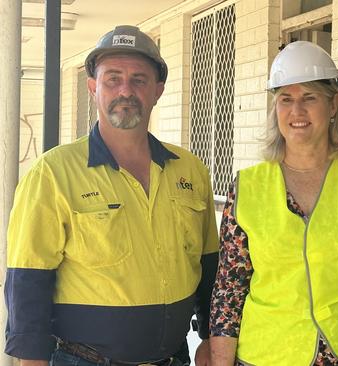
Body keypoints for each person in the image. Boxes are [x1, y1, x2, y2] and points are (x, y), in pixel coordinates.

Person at [4, 25, 218, 366]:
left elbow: (210, 271)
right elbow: (27, 283)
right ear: (93, 88)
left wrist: (211, 338)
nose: (126, 90)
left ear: (158, 90)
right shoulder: (54, 173)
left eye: (139, 79)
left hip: (173, 359)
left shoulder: (190, 171)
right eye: (113, 79)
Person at [208, 41, 338, 366]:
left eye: (309, 98)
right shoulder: (248, 185)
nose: (297, 111)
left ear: (334, 104)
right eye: (285, 100)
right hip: (265, 354)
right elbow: (229, 287)